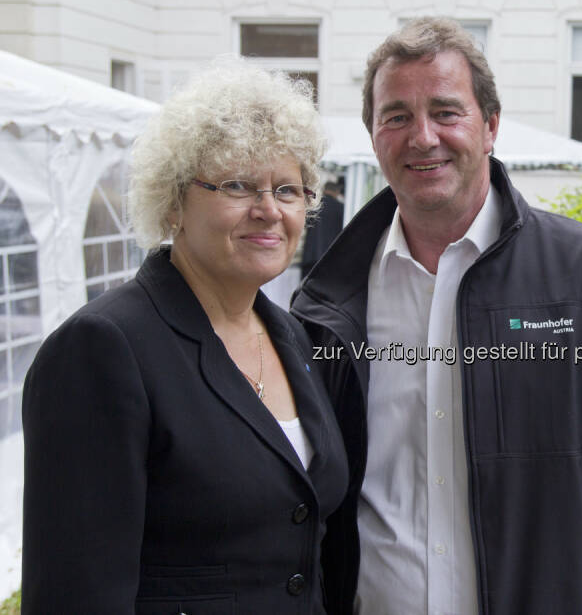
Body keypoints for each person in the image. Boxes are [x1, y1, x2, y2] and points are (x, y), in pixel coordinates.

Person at [292, 18, 582, 614]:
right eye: (396, 116)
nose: (422, 137)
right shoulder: (328, 306)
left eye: (446, 112)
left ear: (490, 126)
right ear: (373, 135)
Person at [21, 59, 349, 614]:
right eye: (238, 185)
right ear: (174, 201)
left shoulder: (291, 334)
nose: (269, 211)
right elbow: (74, 595)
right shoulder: (104, 348)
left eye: (288, 189)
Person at [301, 178, 346, 278]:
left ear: (324, 189)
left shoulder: (315, 206)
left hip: (311, 255)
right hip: (330, 257)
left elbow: (305, 224)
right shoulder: (341, 208)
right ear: (337, 192)